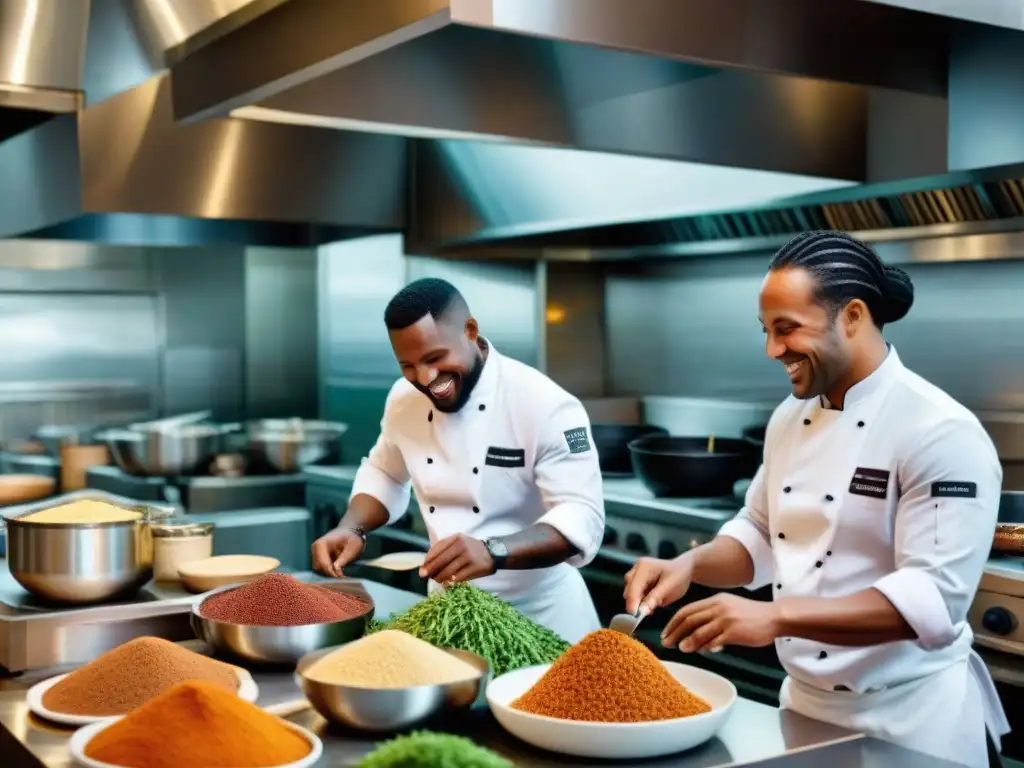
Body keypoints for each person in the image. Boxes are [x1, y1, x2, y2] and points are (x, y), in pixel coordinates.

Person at [623, 231, 1008, 768]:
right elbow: (759, 533)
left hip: (913, 724)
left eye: (787, 330)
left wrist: (778, 617)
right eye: (765, 331)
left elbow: (932, 602)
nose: (771, 350)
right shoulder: (788, 416)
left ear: (851, 316)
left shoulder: (939, 431)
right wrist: (689, 564)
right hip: (805, 711)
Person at [311, 277, 604, 643]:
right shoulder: (404, 399)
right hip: (451, 618)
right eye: (409, 366)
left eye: (435, 358)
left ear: (470, 331)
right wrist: (352, 527)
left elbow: (581, 515)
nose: (426, 378)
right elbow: (385, 471)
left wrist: (493, 551)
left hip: (543, 621)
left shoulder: (544, 404)